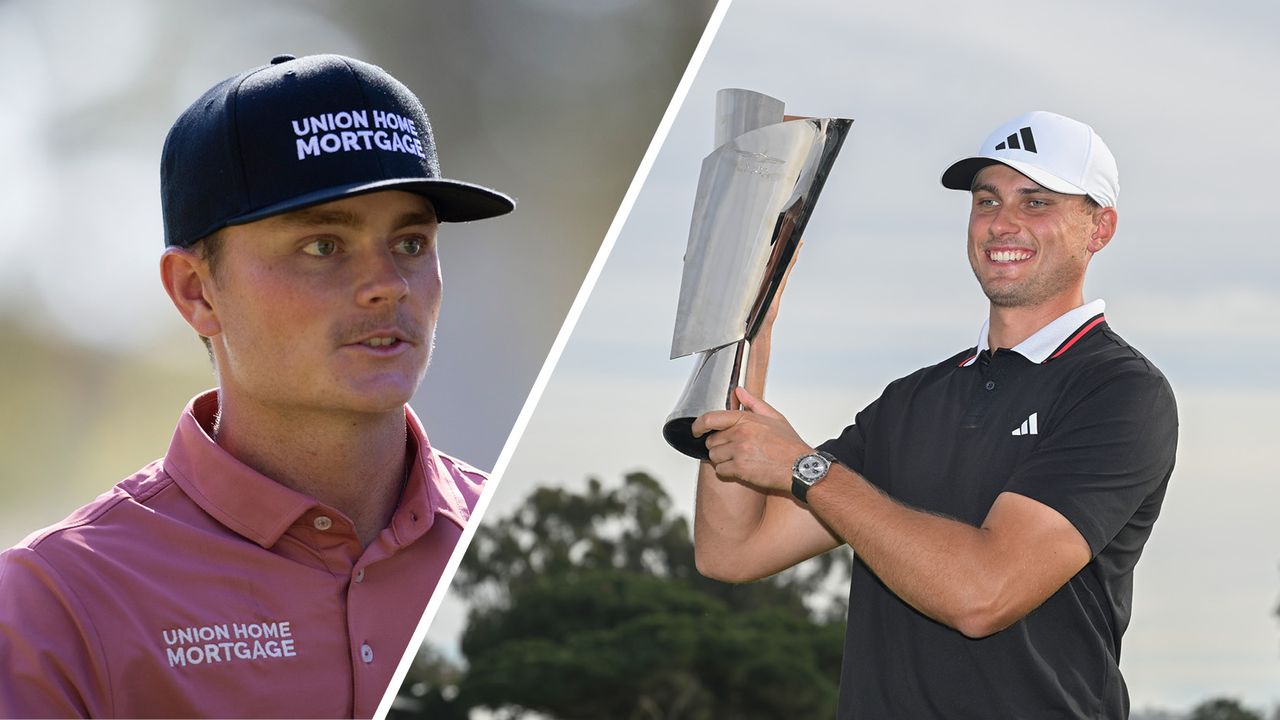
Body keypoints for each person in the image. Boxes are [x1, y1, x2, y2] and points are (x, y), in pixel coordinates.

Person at [0, 54, 514, 718]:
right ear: (197, 292)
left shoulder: (528, 545)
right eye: (323, 246)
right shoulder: (59, 603)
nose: (389, 282)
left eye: (411, 243)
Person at [693, 111, 1177, 718]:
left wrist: (808, 470)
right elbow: (732, 551)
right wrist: (748, 326)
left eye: (1036, 203)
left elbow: (984, 593)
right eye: (986, 200)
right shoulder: (913, 401)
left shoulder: (1118, 391)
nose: (1002, 223)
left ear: (1098, 227)